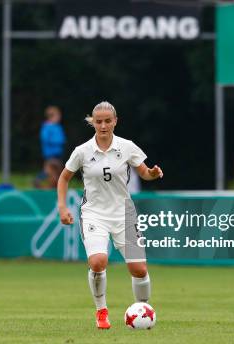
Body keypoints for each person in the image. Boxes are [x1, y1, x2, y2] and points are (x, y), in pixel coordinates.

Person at [56, 101, 163, 330]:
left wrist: (152, 174)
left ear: (115, 121)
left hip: (124, 213)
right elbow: (63, 178)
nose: (103, 125)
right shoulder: (82, 151)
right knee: (97, 262)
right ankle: (101, 311)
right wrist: (62, 207)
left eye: (107, 121)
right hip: (94, 213)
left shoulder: (127, 147)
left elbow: (144, 172)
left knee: (139, 269)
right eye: (98, 121)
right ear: (93, 122)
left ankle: (142, 310)